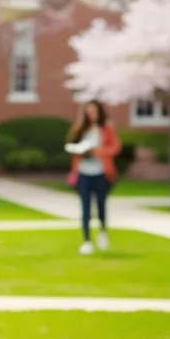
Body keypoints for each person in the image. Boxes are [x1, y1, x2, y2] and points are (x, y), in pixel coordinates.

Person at [66, 99, 122, 255]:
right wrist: (79, 151)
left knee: (101, 205)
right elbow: (73, 146)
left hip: (101, 173)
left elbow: (115, 147)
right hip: (83, 173)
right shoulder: (80, 129)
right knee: (85, 208)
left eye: (94, 111)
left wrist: (98, 151)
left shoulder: (106, 129)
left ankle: (103, 231)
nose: (92, 115)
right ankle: (86, 241)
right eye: (89, 112)